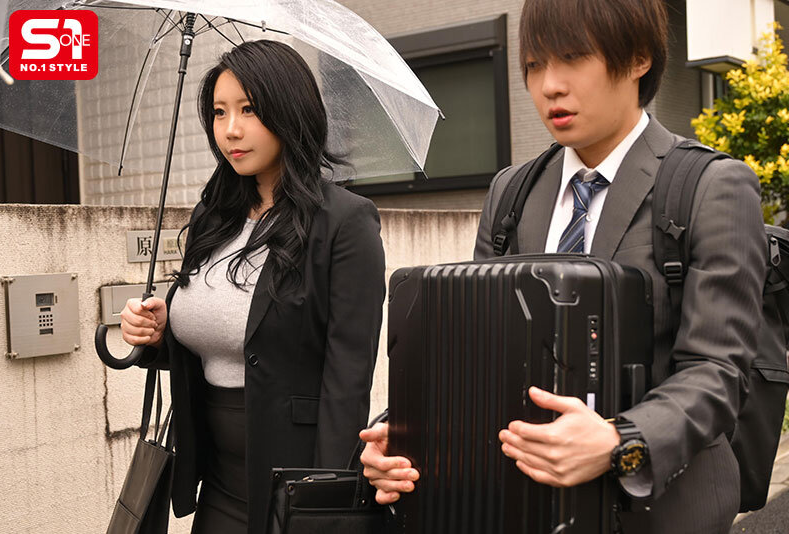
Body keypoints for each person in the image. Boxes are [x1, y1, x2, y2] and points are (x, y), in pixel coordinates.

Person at [359, 1, 767, 532]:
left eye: (573, 58)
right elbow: (475, 349)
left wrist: (620, 440)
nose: (549, 86)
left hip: (661, 511)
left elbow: (718, 372)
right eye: (534, 65)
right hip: (526, 504)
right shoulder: (512, 191)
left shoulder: (711, 186)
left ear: (638, 58)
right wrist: (405, 431)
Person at [120, 40, 386, 534]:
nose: (231, 130)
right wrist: (158, 334)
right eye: (219, 112)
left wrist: (326, 503)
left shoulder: (344, 222)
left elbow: (348, 378)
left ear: (289, 111)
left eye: (248, 109)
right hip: (217, 482)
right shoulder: (213, 215)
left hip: (295, 482)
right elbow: (214, 340)